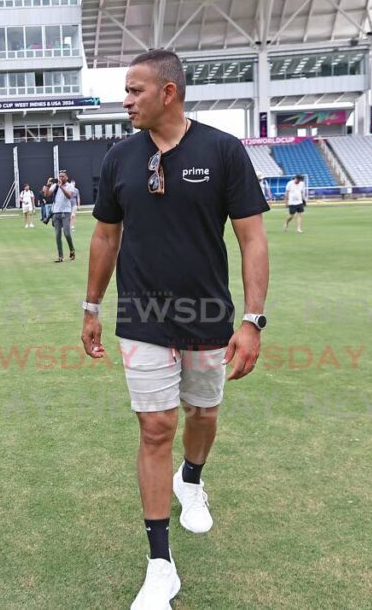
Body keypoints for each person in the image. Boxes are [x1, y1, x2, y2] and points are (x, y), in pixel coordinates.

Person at [81, 49, 269, 610]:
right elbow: (104, 237)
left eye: (135, 90)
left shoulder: (222, 151)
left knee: (202, 414)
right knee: (156, 427)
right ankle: (160, 564)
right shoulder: (119, 158)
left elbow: (252, 239)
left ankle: (194, 477)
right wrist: (91, 306)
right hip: (141, 315)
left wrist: (253, 320)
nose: (126, 99)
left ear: (169, 92)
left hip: (208, 316)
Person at [43, 170, 76, 262]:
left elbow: (69, 196)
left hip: (66, 212)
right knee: (57, 235)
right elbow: (46, 194)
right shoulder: (55, 185)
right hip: (56, 212)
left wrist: (61, 186)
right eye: (59, 176)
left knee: (67, 233)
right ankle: (60, 256)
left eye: (62, 176)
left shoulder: (70, 186)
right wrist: (48, 184)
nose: (60, 178)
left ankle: (72, 249)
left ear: (66, 177)